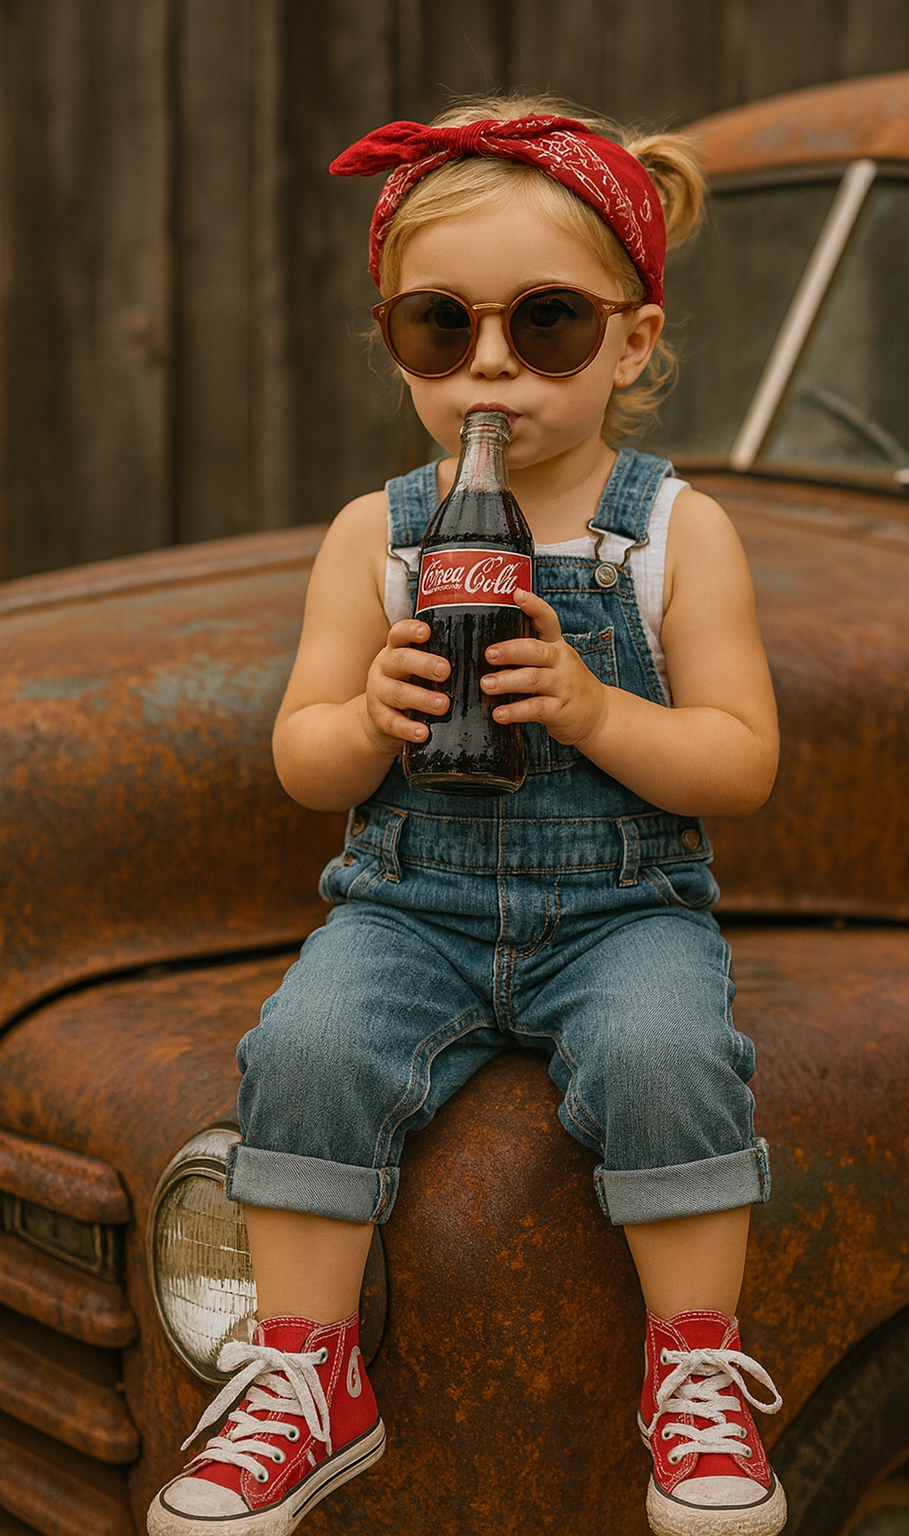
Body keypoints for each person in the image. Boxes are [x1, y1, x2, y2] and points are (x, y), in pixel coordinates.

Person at [147, 96, 785, 1536]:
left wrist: (597, 709)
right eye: (441, 328)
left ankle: (693, 1370)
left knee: (670, 1053)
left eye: (546, 324)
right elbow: (303, 760)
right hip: (409, 901)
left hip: (621, 905)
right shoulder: (376, 534)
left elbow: (742, 763)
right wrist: (365, 713)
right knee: (305, 1046)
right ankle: (307, 1374)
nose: (490, 366)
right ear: (398, 346)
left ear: (632, 339)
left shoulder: (673, 531)